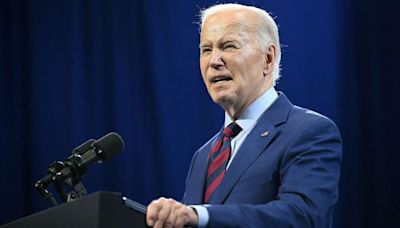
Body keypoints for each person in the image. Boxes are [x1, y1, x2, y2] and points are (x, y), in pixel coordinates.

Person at [146, 3, 342, 228]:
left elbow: (303, 217)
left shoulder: (308, 131)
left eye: (228, 46)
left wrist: (200, 216)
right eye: (206, 49)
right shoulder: (203, 156)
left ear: (268, 58)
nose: (214, 61)